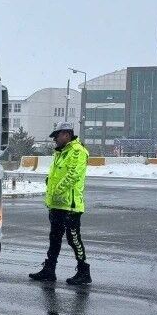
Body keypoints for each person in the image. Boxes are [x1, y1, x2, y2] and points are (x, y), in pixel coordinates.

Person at [28, 122, 91, 286]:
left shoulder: (77, 151)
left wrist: (56, 191)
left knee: (73, 239)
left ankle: (84, 271)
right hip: (56, 205)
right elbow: (55, 175)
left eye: (57, 135)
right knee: (54, 239)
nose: (54, 139)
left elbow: (73, 175)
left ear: (66, 134)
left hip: (70, 206)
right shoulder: (60, 152)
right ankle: (49, 270)